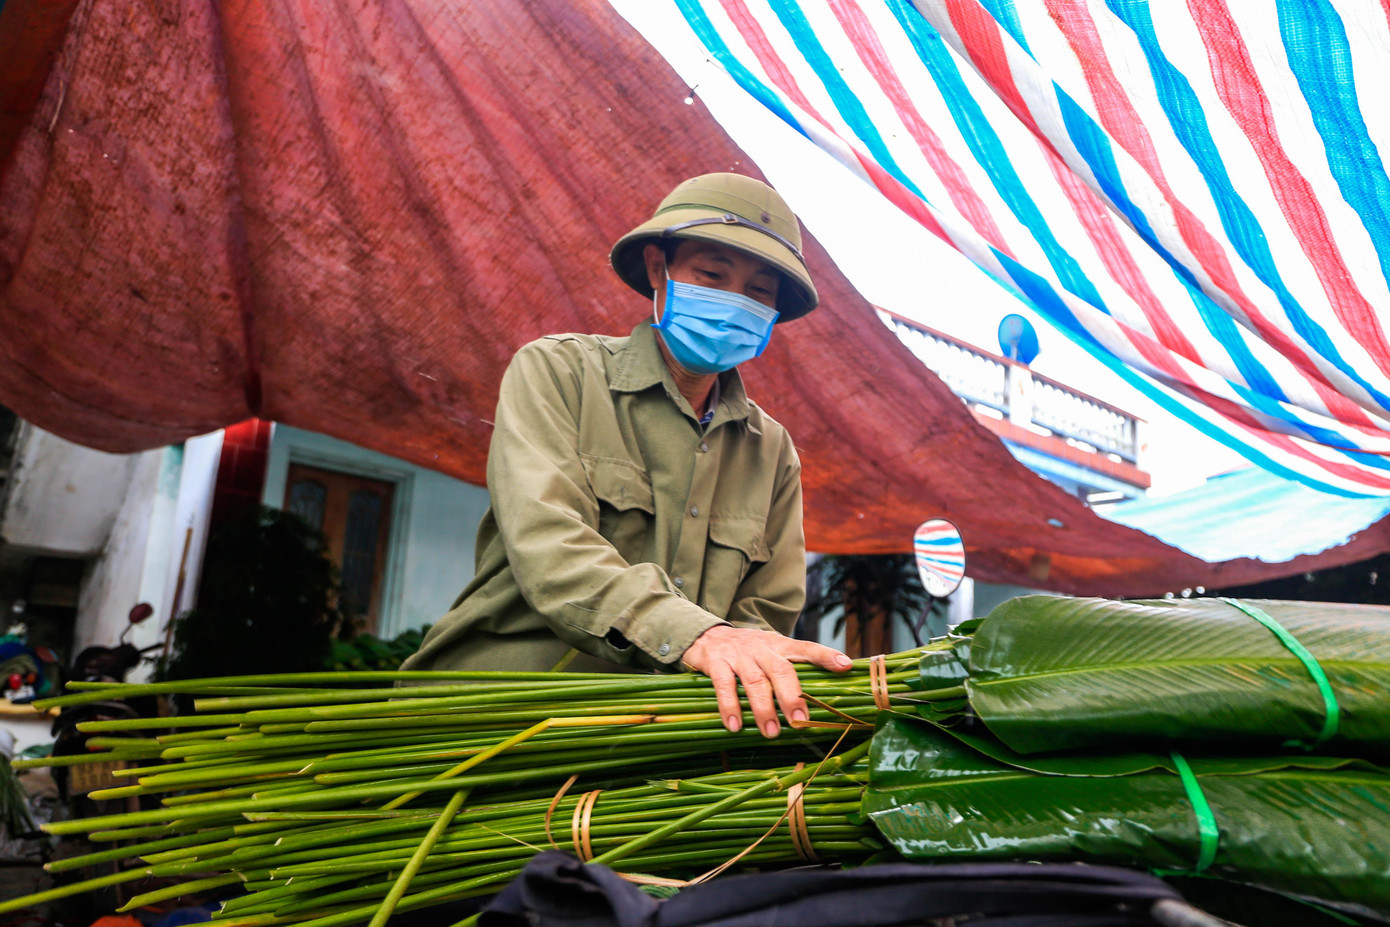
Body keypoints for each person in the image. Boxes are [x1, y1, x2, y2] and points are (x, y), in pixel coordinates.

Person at [402, 173, 852, 738]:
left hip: (651, 744)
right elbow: (550, 544)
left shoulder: (773, 453)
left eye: (758, 292)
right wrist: (696, 635)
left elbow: (760, 620)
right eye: (712, 275)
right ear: (658, 268)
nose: (734, 303)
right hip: (491, 722)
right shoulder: (558, 373)